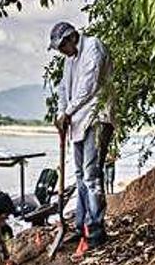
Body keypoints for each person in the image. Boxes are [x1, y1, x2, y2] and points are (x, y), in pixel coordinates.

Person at [49, 21, 115, 251]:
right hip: (77, 124)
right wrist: (61, 114)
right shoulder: (69, 61)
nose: (61, 52)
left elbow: (89, 85)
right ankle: (81, 225)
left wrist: (67, 112)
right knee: (79, 176)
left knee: (91, 175)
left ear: (70, 38)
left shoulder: (93, 47)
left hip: (97, 118)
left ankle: (96, 229)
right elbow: (63, 90)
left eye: (61, 46)